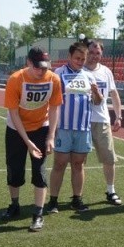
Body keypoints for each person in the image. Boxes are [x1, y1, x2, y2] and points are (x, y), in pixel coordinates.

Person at [1, 47, 62, 231]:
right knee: (14, 169)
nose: (41, 71)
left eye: (44, 67)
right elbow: (13, 113)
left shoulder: (53, 79)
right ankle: (14, 205)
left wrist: (51, 136)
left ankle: (38, 213)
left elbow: (54, 108)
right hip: (16, 129)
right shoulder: (15, 80)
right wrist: (27, 142)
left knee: (39, 170)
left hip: (40, 128)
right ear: (28, 62)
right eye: (37, 67)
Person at [44, 42, 102, 214]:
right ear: (69, 57)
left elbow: (97, 102)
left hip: (83, 128)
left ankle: (77, 199)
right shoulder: (58, 73)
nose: (80, 61)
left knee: (78, 165)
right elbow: (51, 101)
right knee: (60, 164)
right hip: (63, 127)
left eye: (83, 59)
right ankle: (53, 201)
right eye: (77, 58)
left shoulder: (88, 76)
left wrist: (96, 93)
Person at [84, 40, 124, 206]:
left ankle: (111, 190)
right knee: (80, 161)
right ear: (86, 52)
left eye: (97, 53)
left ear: (102, 54)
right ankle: (77, 196)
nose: (94, 56)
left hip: (102, 120)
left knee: (109, 158)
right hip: (82, 121)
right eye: (91, 52)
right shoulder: (79, 71)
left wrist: (119, 116)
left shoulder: (106, 72)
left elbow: (114, 94)